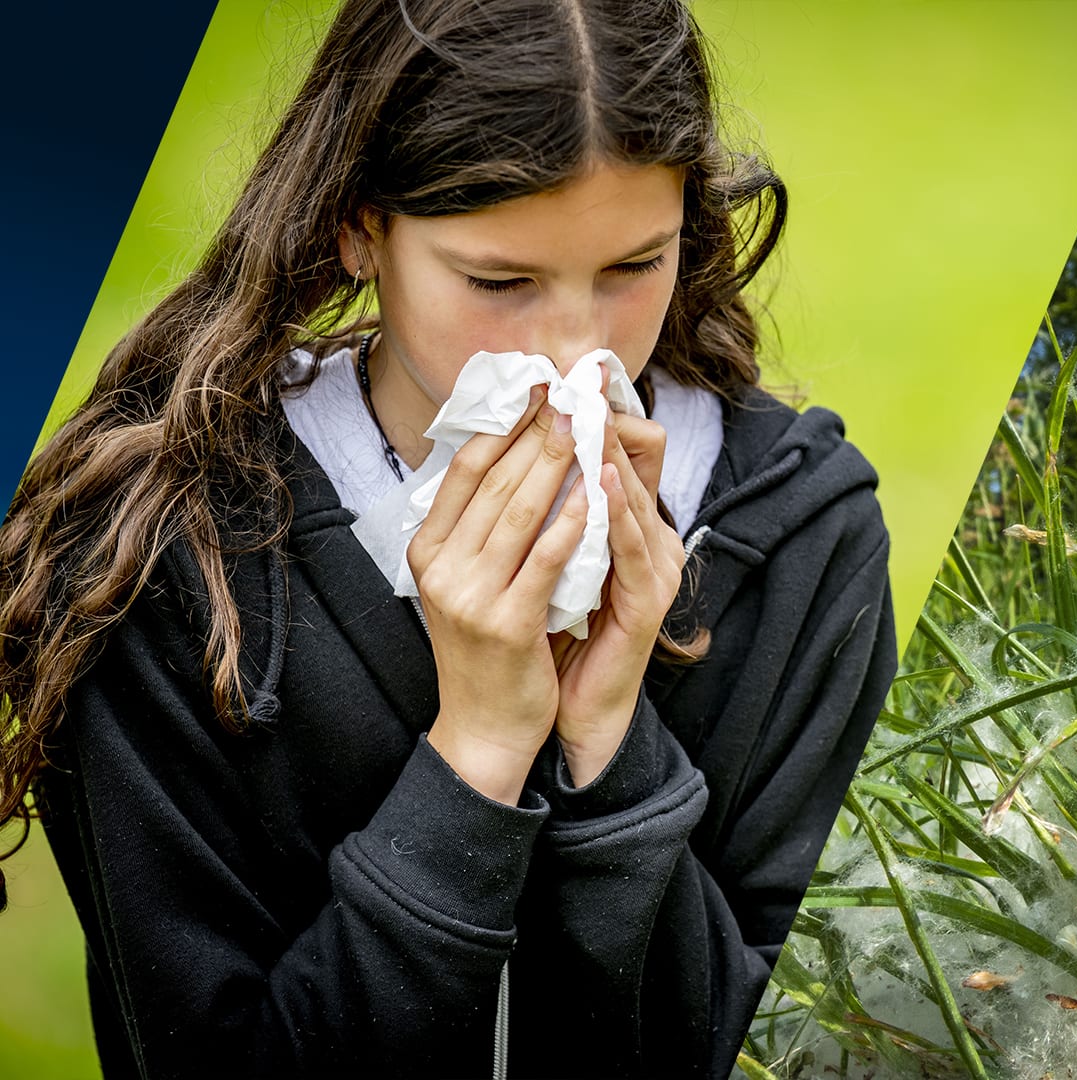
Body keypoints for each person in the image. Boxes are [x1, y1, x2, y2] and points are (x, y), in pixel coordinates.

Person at [0, 1, 895, 1077]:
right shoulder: (166, 553)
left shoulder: (810, 541)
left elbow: (802, 1045)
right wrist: (473, 755)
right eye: (500, 282)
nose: (575, 347)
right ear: (359, 228)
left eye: (634, 266)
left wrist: (612, 742)